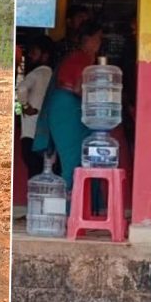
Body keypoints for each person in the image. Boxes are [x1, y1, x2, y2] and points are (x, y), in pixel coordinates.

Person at [38, 21, 103, 189]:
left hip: (65, 106)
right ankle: (69, 209)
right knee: (73, 161)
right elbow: (78, 88)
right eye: (97, 39)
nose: (99, 43)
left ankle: (78, 207)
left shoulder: (79, 56)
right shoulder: (82, 57)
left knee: (77, 160)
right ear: (87, 39)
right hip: (67, 107)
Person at [16, 36, 54, 178]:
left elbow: (21, 89)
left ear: (44, 55)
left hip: (30, 132)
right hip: (45, 133)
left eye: (34, 52)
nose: (30, 56)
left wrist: (25, 106)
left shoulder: (37, 72)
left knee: (32, 169)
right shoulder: (51, 74)